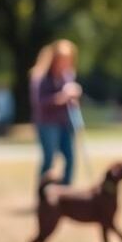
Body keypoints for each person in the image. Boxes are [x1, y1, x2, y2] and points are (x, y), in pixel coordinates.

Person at [30, 40, 82, 186]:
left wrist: (74, 95)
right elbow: (39, 103)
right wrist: (61, 97)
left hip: (65, 122)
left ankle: (66, 194)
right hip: (47, 123)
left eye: (69, 60)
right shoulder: (41, 77)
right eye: (63, 60)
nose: (66, 64)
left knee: (70, 158)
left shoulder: (67, 76)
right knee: (49, 159)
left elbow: (71, 101)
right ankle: (43, 195)